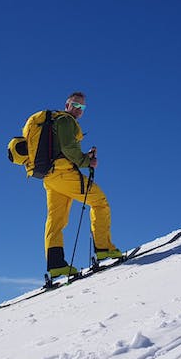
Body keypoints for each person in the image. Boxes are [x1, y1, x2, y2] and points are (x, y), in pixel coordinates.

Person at [42, 91, 121, 277]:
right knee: (100, 202)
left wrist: (84, 157)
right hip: (64, 174)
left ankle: (56, 265)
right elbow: (69, 149)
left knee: (56, 220)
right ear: (67, 104)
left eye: (82, 107)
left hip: (50, 177)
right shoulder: (66, 120)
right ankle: (103, 248)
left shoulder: (53, 123)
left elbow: (63, 149)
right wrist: (87, 162)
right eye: (75, 105)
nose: (79, 110)